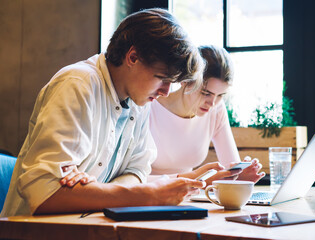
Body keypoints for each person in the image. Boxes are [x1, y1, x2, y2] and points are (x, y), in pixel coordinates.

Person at [0, 8, 205, 217]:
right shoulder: (77, 85)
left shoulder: (139, 102)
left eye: (173, 83)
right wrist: (146, 195)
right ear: (133, 57)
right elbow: (43, 194)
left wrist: (96, 190)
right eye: (162, 78)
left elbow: (137, 171)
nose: (166, 91)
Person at [148, 45, 265, 185]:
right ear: (184, 80)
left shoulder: (216, 110)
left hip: (189, 199)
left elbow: (230, 167)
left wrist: (239, 176)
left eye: (220, 95)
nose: (212, 103)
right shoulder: (149, 107)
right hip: (147, 198)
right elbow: (129, 181)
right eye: (205, 93)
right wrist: (193, 178)